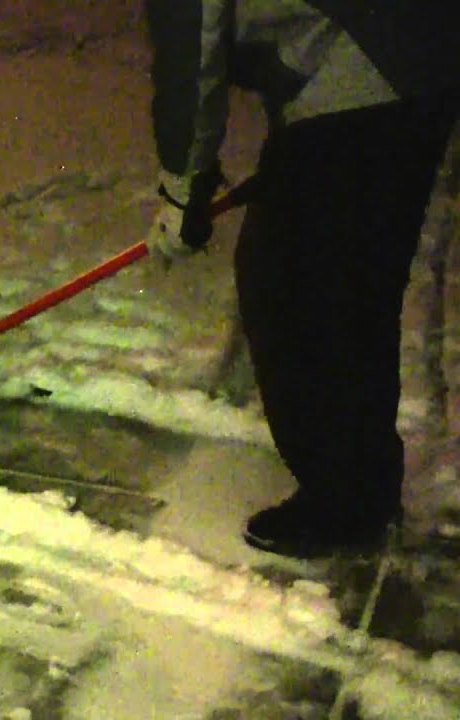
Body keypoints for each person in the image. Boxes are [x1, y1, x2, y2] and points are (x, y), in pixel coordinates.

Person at [143, 1, 459, 558]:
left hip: (371, 58)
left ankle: (345, 499)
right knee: (351, 277)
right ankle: (360, 486)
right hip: (408, 47)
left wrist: (181, 182)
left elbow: (192, 37)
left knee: (293, 284)